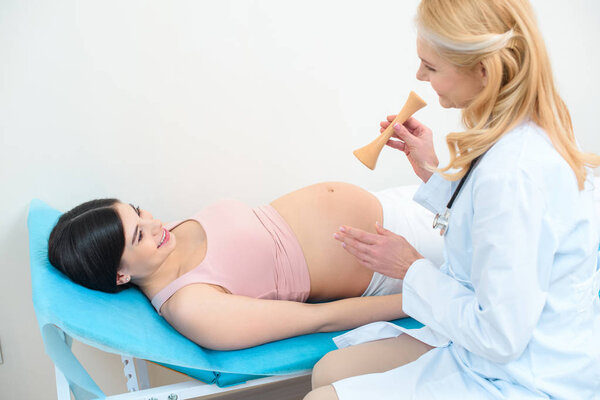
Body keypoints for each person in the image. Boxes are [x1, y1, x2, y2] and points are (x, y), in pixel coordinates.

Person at [305, 0, 600, 399]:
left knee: (320, 395)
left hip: (522, 374)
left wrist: (409, 267)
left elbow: (500, 338)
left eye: (431, 66)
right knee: (331, 368)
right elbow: (493, 223)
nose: (419, 76)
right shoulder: (527, 130)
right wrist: (432, 172)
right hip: (507, 346)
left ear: (483, 70)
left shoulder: (514, 172)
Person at [48, 181, 444, 350]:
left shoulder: (160, 244)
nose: (154, 224)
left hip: (395, 203)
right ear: (120, 275)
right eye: (138, 235)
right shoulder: (192, 306)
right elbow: (324, 318)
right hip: (396, 255)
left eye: (138, 212)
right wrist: (427, 292)